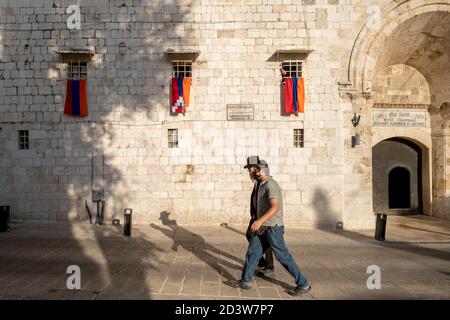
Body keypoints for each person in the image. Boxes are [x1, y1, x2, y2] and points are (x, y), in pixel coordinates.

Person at [229, 155, 312, 296]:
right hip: (262, 228)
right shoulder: (259, 184)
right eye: (249, 169)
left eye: (251, 169)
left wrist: (259, 221)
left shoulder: (270, 185)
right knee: (253, 253)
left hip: (273, 228)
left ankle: (303, 284)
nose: (249, 172)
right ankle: (245, 281)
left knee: (283, 257)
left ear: (260, 169)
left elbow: (275, 207)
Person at [245, 157, 274, 276]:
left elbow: (271, 203)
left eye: (251, 168)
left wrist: (262, 219)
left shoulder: (265, 181)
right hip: (256, 216)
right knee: (250, 234)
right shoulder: (257, 181)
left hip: (262, 218)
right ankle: (262, 262)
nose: (249, 172)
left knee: (267, 242)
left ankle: (269, 266)